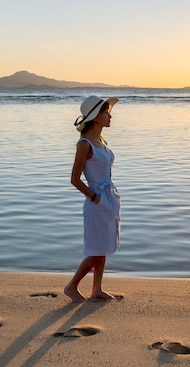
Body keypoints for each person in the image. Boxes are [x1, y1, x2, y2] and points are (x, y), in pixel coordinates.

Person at [64, 96, 121, 302]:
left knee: (103, 246)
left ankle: (96, 289)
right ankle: (71, 286)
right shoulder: (85, 144)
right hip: (97, 201)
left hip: (108, 198)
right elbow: (74, 179)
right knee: (97, 250)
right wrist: (95, 197)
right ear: (95, 117)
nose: (110, 116)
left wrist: (106, 198)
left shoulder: (101, 141)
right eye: (106, 112)